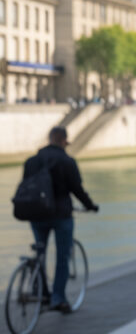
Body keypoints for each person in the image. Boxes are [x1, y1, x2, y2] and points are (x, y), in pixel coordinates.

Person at [20, 127, 99, 313]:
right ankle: (58, 297)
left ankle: (41, 293)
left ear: (49, 139)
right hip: (60, 214)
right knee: (63, 256)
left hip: (36, 213)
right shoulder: (67, 161)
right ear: (63, 140)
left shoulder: (31, 161)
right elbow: (77, 189)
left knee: (40, 252)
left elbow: (25, 186)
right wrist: (90, 205)